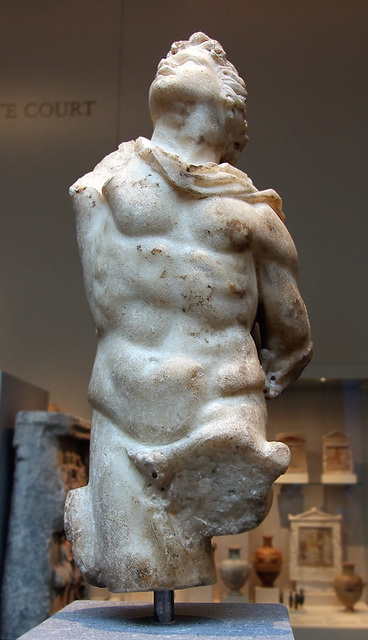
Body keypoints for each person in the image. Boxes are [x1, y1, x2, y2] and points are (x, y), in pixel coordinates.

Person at [65, 32, 312, 593]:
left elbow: (292, 340)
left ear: (231, 108)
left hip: (218, 410)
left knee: (173, 556)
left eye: (199, 56)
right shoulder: (104, 182)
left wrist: (242, 381)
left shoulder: (254, 215)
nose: (176, 50)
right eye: (172, 55)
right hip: (123, 406)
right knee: (133, 568)